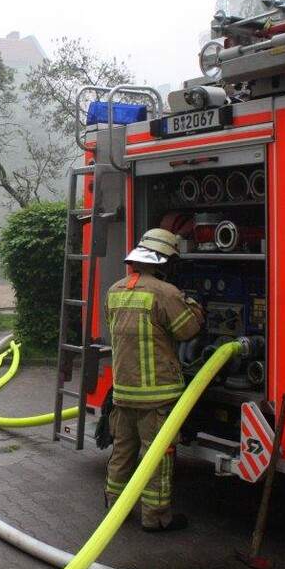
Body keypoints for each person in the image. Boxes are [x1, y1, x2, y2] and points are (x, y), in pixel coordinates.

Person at [104, 228, 204, 532]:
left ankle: (114, 508)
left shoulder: (116, 289)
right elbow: (189, 330)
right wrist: (193, 304)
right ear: (163, 262)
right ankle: (156, 517)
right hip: (157, 394)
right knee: (157, 455)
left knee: (123, 449)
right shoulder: (166, 293)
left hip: (124, 391)